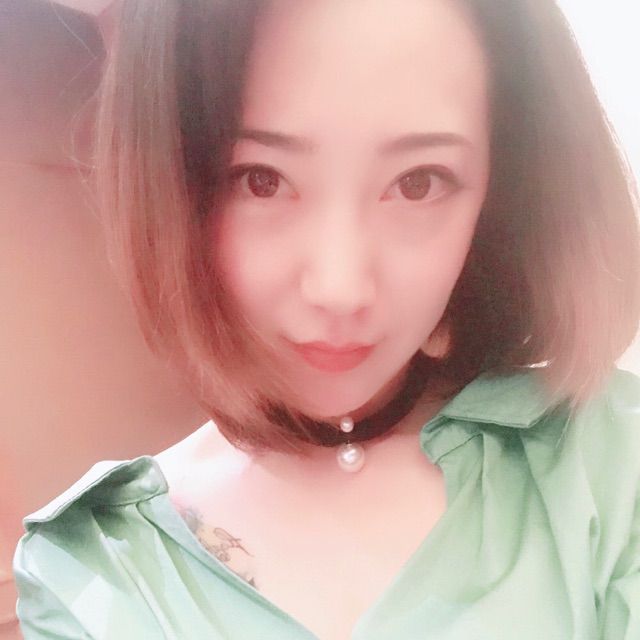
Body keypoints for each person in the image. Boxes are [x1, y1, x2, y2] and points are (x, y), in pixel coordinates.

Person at [12, 0, 640, 638]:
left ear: (499, 196)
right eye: (261, 179)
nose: (340, 288)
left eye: (419, 183)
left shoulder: (611, 461)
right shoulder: (94, 569)